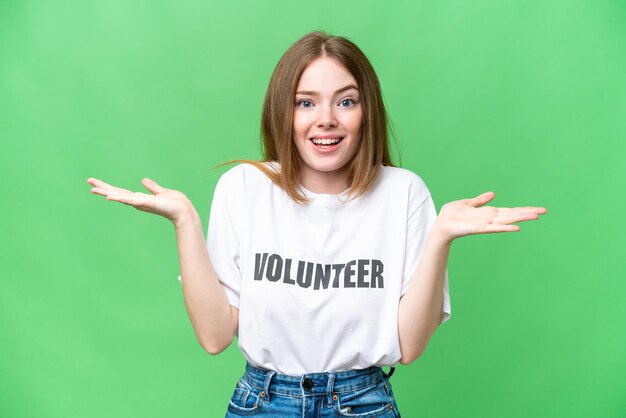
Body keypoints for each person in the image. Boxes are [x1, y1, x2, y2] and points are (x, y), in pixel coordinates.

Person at [87, 31, 547, 417]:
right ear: (283, 113)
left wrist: (442, 236)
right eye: (305, 103)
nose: (325, 120)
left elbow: (409, 346)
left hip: (363, 402)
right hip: (263, 402)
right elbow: (214, 337)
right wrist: (185, 221)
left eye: (345, 101)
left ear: (367, 112)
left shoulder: (404, 193)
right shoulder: (243, 187)